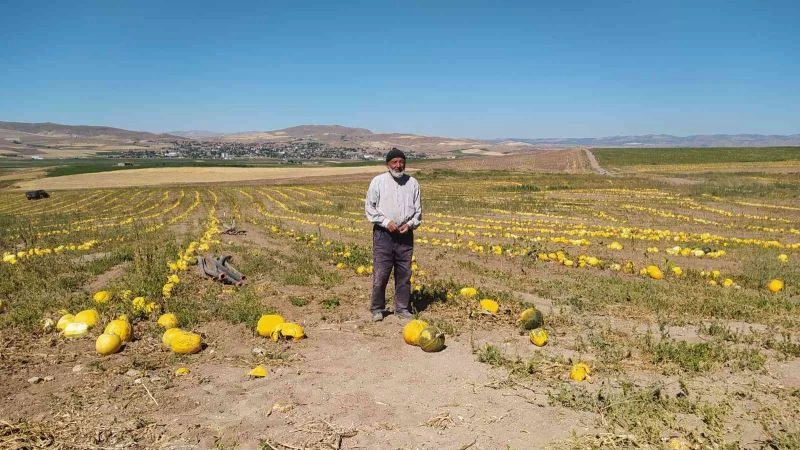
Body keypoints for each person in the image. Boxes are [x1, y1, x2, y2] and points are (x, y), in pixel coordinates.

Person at [365, 148, 422, 321]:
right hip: (384, 235)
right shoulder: (378, 182)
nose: (398, 165)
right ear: (388, 164)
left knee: (404, 273)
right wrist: (385, 222)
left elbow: (418, 211)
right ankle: (377, 308)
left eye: (401, 162)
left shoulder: (413, 183)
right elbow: (370, 208)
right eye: (394, 162)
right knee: (381, 273)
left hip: (405, 235)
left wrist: (410, 224)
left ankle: (402, 308)